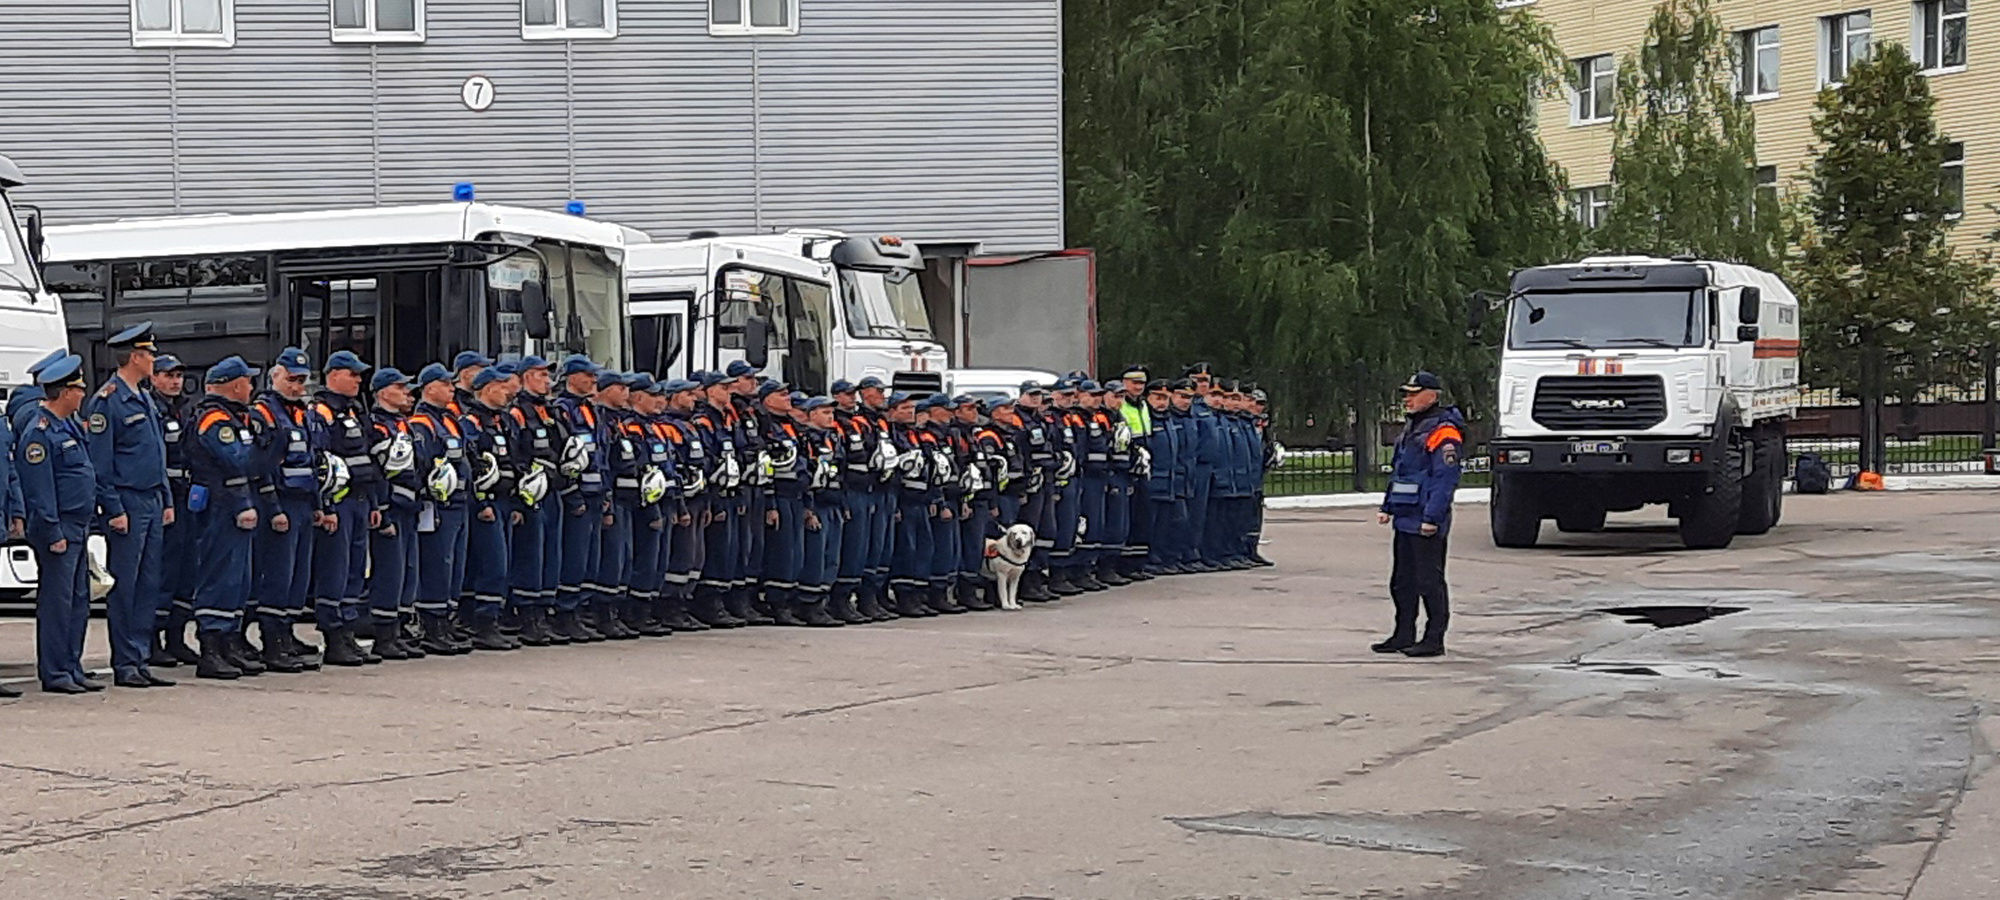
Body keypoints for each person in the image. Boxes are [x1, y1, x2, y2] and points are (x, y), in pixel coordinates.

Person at [83, 321, 175, 690]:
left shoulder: (144, 396)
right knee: (128, 585)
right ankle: (124, 661)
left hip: (152, 497)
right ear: (134, 357)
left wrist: (166, 497)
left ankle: (139, 657)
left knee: (150, 583)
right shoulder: (107, 401)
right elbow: (101, 464)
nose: (153, 359)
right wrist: (114, 508)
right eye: (149, 354)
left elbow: (156, 452)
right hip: (129, 502)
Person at [19, 354, 106, 694]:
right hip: (59, 530)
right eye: (78, 389)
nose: (83, 395)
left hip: (79, 526)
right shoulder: (39, 433)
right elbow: (40, 490)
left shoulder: (69, 425)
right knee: (58, 603)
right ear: (64, 392)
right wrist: (52, 530)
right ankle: (55, 671)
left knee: (79, 600)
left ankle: (72, 664)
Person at [1374, 371, 1463, 659]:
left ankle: (1434, 639)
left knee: (1429, 580)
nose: (1407, 399)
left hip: (1425, 518)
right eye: (1406, 394)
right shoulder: (1413, 427)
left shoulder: (1444, 430)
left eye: (1414, 393)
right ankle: (1403, 634)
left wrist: (1432, 517)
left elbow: (1444, 478)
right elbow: (1401, 471)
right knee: (1402, 581)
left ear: (1432, 395)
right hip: (1405, 515)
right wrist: (1388, 506)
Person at [248, 348, 326, 672]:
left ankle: (288, 632)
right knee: (278, 575)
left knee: (299, 576)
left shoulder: (302, 413)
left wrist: (319, 505)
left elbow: (312, 460)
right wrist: (274, 507)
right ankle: (272, 640)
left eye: (302, 380)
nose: (297, 385)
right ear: (276, 375)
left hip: (304, 503)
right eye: (291, 379)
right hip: (279, 504)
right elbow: (261, 466)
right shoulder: (263, 413)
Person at [307, 350, 382, 666]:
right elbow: (320, 463)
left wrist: (375, 502)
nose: (358, 380)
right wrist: (327, 506)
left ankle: (348, 632)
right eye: (353, 374)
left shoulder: (355, 411)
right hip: (339, 502)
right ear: (333, 375)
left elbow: (367, 458)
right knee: (334, 571)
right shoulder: (321, 411)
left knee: (354, 570)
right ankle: (333, 635)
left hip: (361, 501)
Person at [410, 363, 473, 656]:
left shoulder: (449, 419)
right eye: (445, 384)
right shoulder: (422, 423)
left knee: (454, 566)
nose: (451, 389)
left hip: (458, 502)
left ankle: (446, 621)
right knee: (438, 564)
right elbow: (424, 463)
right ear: (429, 387)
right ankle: (431, 626)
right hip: (438, 505)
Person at [460, 366, 525, 650]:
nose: (508, 391)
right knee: (492, 564)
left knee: (504, 562)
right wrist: (483, 502)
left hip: (505, 499)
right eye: (501, 386)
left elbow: (514, 460)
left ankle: (491, 620)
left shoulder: (503, 421)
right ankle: (482, 623)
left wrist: (517, 500)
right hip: (485, 503)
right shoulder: (471, 422)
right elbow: (474, 465)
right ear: (486, 388)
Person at [506, 356, 565, 644]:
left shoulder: (548, 411)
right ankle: (527, 617)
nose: (548, 381)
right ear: (527, 377)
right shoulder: (517, 412)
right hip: (532, 494)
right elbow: (516, 454)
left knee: (549, 556)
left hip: (553, 491)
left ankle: (543, 613)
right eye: (542, 375)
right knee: (531, 555)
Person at [365, 367, 423, 661]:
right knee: (390, 572)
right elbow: (377, 474)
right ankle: (383, 635)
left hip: (410, 507)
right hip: (392, 507)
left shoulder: (403, 425)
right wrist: (383, 511)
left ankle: (399, 630)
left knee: (407, 572)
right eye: (401, 388)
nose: (408, 394)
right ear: (384, 392)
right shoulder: (376, 426)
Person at [551, 356, 610, 642]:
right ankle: (566, 613)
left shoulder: (591, 410)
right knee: (574, 557)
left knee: (591, 558)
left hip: (596, 492)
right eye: (588, 375)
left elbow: (601, 454)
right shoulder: (562, 410)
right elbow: (564, 456)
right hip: (578, 495)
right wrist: (572, 495)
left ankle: (582, 611)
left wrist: (606, 491)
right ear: (572, 378)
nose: (593, 381)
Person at [149, 353, 201, 667]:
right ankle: (153, 638)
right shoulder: (151, 409)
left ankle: (177, 636)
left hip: (189, 499)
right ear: (154, 377)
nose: (174, 381)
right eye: (167, 375)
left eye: (178, 375)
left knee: (187, 571)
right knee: (163, 571)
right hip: (165, 500)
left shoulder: (187, 409)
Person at [590, 370, 641, 640]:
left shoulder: (619, 422)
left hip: (626, 500)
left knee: (623, 557)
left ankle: (615, 611)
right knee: (610, 557)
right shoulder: (602, 420)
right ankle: (601, 614)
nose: (626, 393)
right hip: (610, 498)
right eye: (620, 388)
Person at [797, 396, 852, 625]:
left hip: (834, 503)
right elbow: (805, 476)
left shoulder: (833, 439)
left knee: (832, 557)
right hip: (817, 503)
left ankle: (823, 602)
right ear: (811, 415)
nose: (830, 416)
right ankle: (808, 605)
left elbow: (841, 473)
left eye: (831, 412)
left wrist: (844, 505)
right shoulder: (806, 439)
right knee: (815, 557)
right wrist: (808, 509)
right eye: (824, 412)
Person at [885, 392, 939, 617]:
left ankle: (918, 595)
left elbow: (929, 468)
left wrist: (934, 498)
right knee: (906, 551)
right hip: (904, 501)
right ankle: (905, 597)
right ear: (891, 412)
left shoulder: (915, 435)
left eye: (911, 408)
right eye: (903, 408)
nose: (909, 412)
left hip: (921, 500)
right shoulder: (892, 435)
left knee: (924, 550)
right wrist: (895, 504)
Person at [1116, 365, 1156, 581]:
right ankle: (1125, 565)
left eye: (1141, 383)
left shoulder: (1142, 404)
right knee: (1128, 516)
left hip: (1144, 459)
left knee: (1143, 515)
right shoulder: (1122, 405)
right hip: (1129, 459)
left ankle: (1138, 563)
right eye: (1134, 383)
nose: (1138, 387)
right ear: (1124, 383)